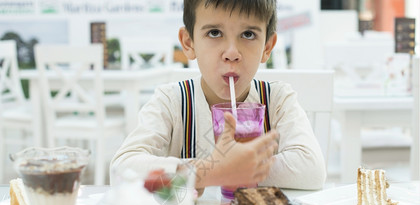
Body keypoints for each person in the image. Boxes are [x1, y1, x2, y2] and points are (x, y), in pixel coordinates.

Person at [110, 0, 326, 193]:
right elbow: (121, 169)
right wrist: (211, 172)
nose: (232, 53)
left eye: (248, 34)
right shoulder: (172, 101)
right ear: (188, 43)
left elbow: (312, 169)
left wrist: (237, 169)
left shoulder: (277, 100)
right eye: (214, 32)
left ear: (267, 47)